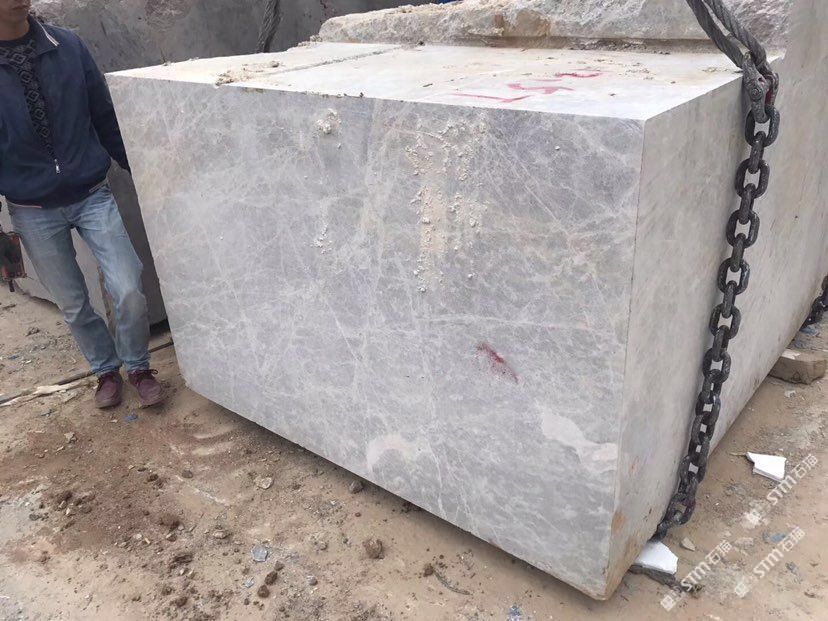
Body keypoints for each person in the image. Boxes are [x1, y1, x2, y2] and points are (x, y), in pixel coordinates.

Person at [0, 1, 163, 409]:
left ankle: (138, 367)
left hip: (92, 193)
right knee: (73, 303)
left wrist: (142, 175)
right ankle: (105, 371)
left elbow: (104, 115)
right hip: (32, 209)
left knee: (128, 286)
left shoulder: (67, 46)